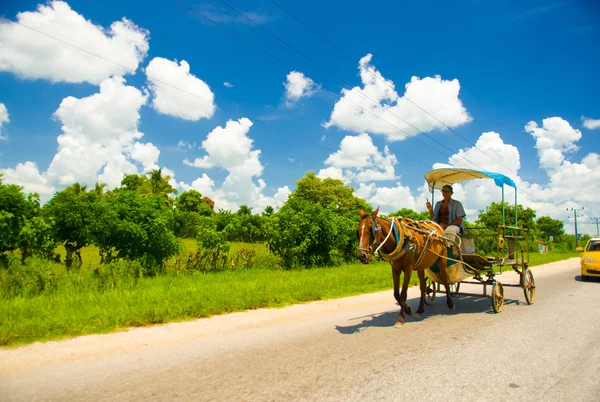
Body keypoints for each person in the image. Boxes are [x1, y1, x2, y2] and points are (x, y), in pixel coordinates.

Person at [425, 184, 466, 253]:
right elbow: (434, 218)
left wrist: (446, 225)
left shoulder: (457, 204)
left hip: (455, 226)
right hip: (440, 226)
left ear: (451, 193)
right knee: (426, 229)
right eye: (443, 191)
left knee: (450, 230)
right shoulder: (438, 204)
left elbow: (459, 220)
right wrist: (430, 209)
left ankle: (449, 251)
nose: (444, 193)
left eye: (447, 192)